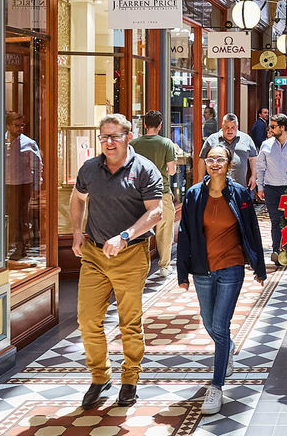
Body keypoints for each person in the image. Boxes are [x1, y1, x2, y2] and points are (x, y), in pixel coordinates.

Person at [70, 114, 163, 409]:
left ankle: (130, 378)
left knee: (129, 323)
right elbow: (77, 198)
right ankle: (100, 376)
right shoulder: (89, 169)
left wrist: (125, 235)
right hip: (94, 254)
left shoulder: (145, 170)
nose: (109, 142)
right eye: (104, 137)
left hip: (131, 255)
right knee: (87, 320)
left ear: (128, 136)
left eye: (115, 136)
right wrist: (76, 232)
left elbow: (156, 212)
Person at [177, 143, 267, 415]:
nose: (214, 163)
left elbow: (251, 230)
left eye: (220, 159)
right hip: (203, 269)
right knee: (208, 320)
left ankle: (216, 387)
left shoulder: (239, 193)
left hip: (231, 267)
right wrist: (182, 273)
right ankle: (225, 349)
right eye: (210, 159)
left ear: (230, 164)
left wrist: (259, 267)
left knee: (220, 322)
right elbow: (185, 234)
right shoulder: (194, 194)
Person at [130, 110, 177, 277]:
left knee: (141, 230)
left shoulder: (134, 144)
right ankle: (164, 266)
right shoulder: (166, 143)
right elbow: (171, 171)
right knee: (164, 229)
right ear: (160, 125)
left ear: (144, 125)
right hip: (161, 191)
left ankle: (141, 267)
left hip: (139, 193)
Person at [255, 113, 287, 265]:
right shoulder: (266, 145)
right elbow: (260, 168)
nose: (271, 130)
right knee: (275, 221)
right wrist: (260, 187)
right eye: (270, 127)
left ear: (283, 127)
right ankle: (277, 250)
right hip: (271, 189)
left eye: (273, 127)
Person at [5, 111, 43, 262]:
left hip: (22, 185)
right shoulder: (0, 141)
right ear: (8, 125)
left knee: (21, 217)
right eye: (16, 125)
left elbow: (37, 165)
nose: (20, 128)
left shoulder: (29, 143)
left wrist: (36, 187)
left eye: (22, 125)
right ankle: (5, 246)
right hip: (5, 185)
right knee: (6, 216)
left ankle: (21, 247)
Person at [199, 113, 258, 188]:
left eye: (233, 127)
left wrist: (253, 176)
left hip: (239, 186)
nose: (230, 130)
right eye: (227, 127)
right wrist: (200, 180)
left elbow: (253, 158)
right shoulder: (212, 139)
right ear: (222, 126)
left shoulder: (246, 139)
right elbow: (202, 160)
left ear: (237, 126)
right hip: (216, 187)